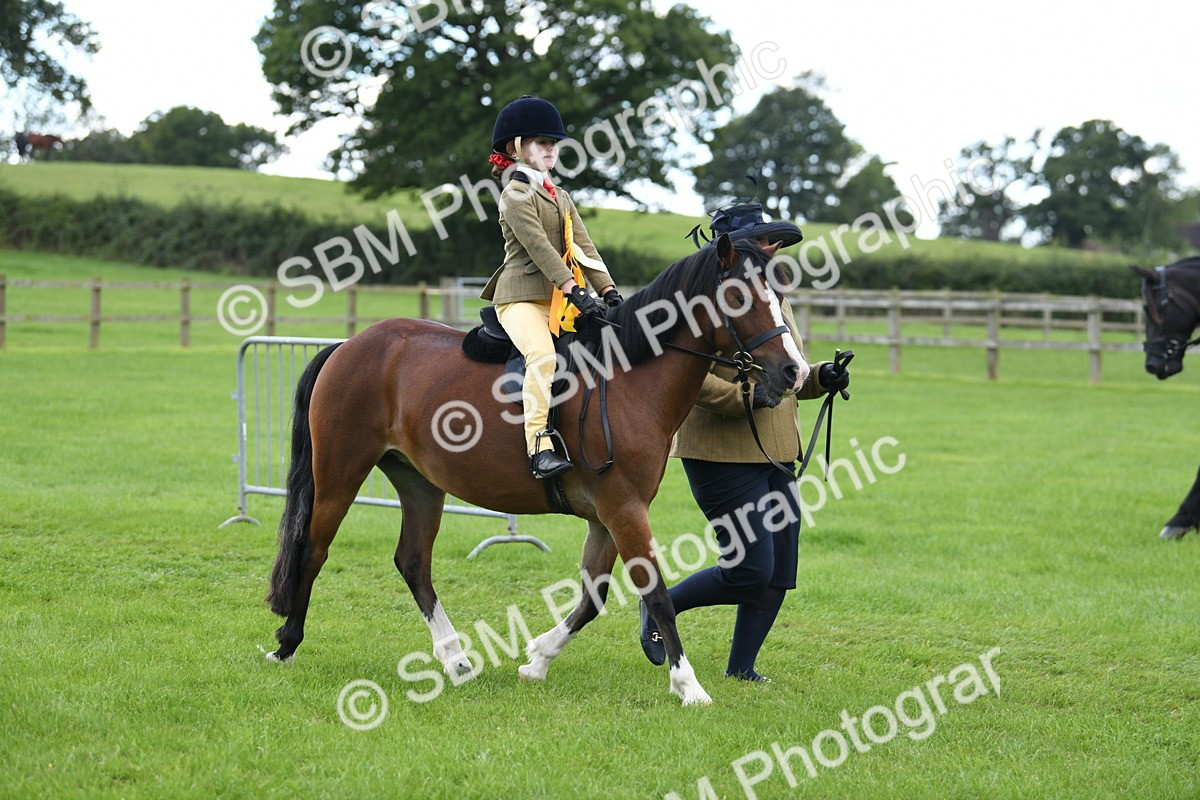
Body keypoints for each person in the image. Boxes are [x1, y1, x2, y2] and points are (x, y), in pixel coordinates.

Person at [639, 203, 851, 681]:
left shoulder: (771, 298)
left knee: (779, 573)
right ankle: (659, 605)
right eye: (764, 241)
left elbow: (788, 372)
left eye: (774, 242)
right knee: (750, 569)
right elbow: (688, 380)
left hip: (777, 451)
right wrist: (746, 396)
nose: (774, 249)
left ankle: (741, 669)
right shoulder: (695, 301)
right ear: (734, 250)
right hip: (720, 453)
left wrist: (822, 376)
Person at [480, 95, 622, 480]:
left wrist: (608, 291)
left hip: (561, 298)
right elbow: (540, 249)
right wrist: (575, 289)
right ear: (516, 147)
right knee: (542, 356)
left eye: (554, 144)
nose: (552, 150)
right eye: (542, 143)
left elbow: (584, 247)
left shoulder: (560, 196)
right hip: (522, 298)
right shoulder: (514, 194)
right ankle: (539, 446)